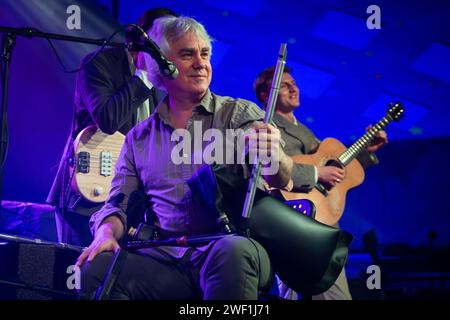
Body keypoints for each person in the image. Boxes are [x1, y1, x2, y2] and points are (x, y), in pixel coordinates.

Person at [75, 16, 296, 300]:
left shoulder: (238, 114)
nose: (200, 63)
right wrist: (105, 233)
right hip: (168, 260)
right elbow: (117, 204)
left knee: (232, 251)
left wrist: (273, 152)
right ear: (161, 65)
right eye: (187, 54)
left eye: (204, 54)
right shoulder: (139, 138)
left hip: (232, 247)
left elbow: (280, 176)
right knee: (95, 267)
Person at [253, 66, 388, 300]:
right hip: (292, 221)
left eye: (294, 83)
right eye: (285, 85)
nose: (294, 88)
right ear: (267, 95)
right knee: (293, 292)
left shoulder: (304, 130)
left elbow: (335, 170)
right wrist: (317, 173)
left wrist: (366, 153)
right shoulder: (266, 127)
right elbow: (272, 168)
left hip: (321, 224)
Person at [46, 8, 177, 247]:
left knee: (113, 279)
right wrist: (143, 77)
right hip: (87, 191)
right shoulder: (100, 63)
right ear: (143, 39)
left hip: (127, 201)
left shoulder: (163, 80)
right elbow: (107, 120)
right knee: (78, 275)